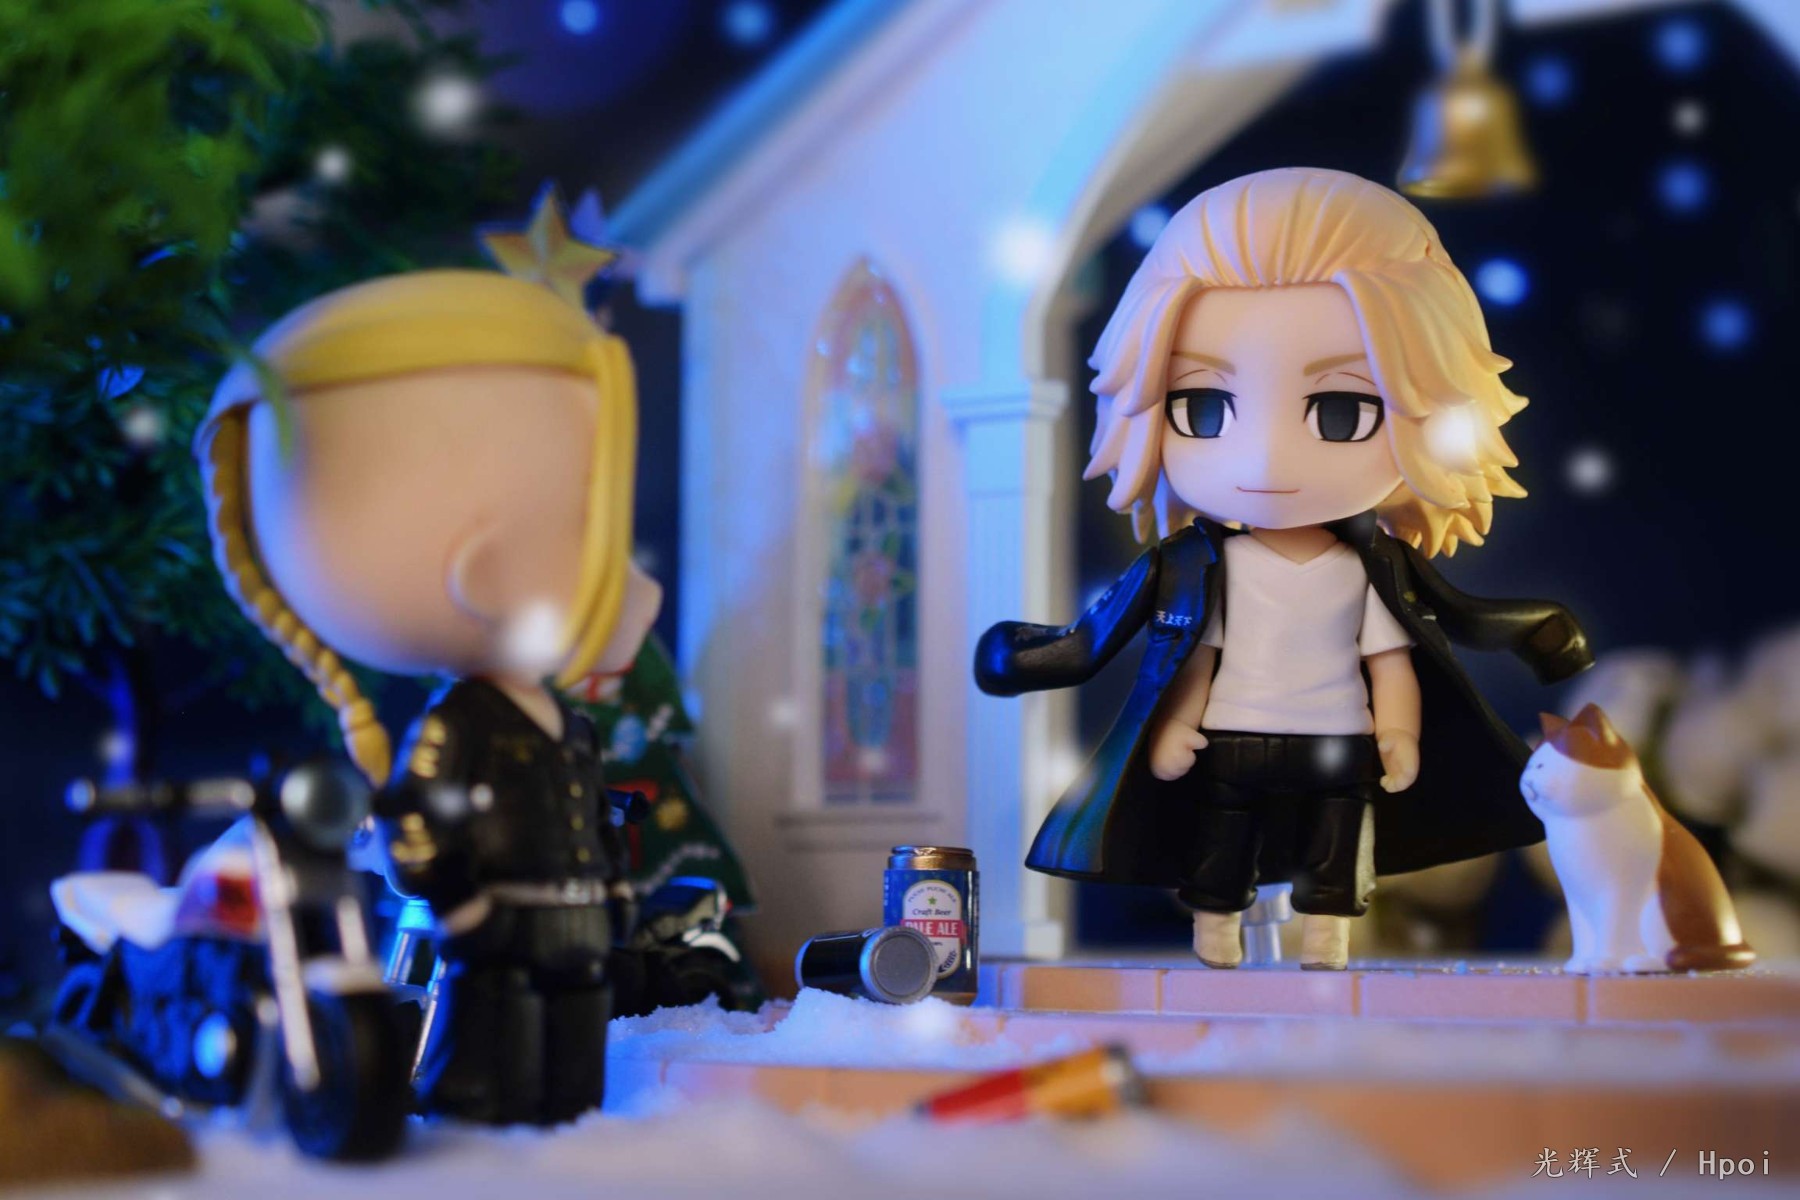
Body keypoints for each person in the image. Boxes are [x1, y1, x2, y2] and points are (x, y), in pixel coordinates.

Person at [974, 168, 1591, 970]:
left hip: (1339, 744)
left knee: (1340, 839)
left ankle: (1328, 930)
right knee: (1222, 838)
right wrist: (1173, 723)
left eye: (1342, 411)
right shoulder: (1201, 566)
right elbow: (1194, 655)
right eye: (1203, 409)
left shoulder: (1369, 569)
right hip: (1232, 741)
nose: (1265, 460)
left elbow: (1391, 662)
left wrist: (1399, 733)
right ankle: (1215, 922)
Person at [195, 253, 661, 1121]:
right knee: (490, 1069)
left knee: (572, 1080)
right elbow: (417, 820)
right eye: (587, 535)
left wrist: (615, 898)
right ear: (488, 568)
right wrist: (466, 908)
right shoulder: (462, 723)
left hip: (576, 934)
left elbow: (591, 820)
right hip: (502, 933)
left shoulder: (569, 727)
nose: (636, 590)